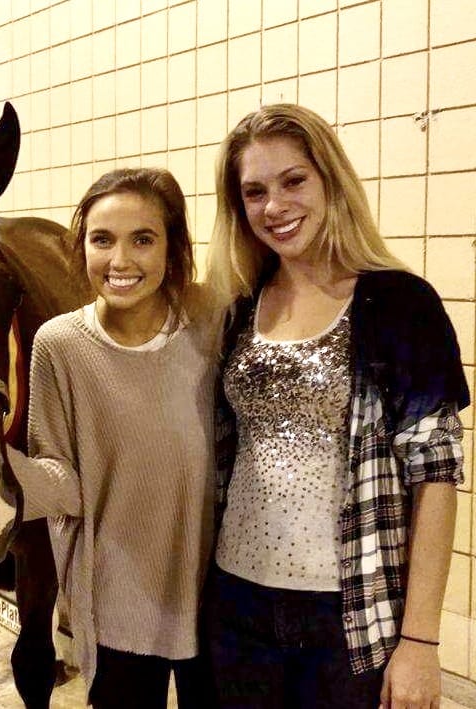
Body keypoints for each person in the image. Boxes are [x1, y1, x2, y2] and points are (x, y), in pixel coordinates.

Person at [204, 103, 467, 709]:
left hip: (349, 615)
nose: (275, 206)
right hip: (236, 603)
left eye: (293, 180)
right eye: (254, 192)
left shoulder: (399, 304)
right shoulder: (240, 308)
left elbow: (438, 479)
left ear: (329, 179)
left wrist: (420, 641)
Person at [8, 168, 220, 708]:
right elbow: (59, 476)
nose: (120, 261)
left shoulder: (210, 321)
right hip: (116, 601)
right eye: (102, 240)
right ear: (80, 247)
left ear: (172, 249)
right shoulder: (59, 344)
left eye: (142, 239)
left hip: (216, 596)